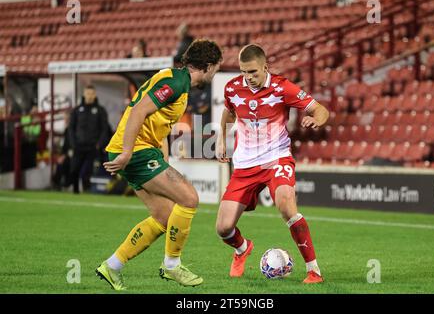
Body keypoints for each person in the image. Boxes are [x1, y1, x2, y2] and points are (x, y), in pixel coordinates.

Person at [96, 39, 222, 290]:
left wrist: (162, 154)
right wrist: (128, 152)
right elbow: (138, 111)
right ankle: (172, 266)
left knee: (164, 217)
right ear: (207, 66)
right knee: (189, 197)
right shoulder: (175, 83)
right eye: (217, 67)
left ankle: (112, 266)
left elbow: (158, 121)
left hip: (142, 150)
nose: (216, 72)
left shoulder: (179, 83)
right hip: (134, 151)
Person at [215, 44, 329, 284]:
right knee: (223, 229)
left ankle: (313, 271)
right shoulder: (233, 88)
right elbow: (229, 112)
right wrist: (221, 139)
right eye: (244, 72)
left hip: (276, 157)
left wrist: (315, 119)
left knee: (287, 205)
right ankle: (242, 249)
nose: (249, 78)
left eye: (253, 72)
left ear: (265, 67)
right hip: (245, 165)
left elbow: (320, 109)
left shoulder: (282, 87)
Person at [68, 85, 110, 194]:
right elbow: (71, 128)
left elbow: (105, 129)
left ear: (95, 95)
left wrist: (99, 144)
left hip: (93, 146)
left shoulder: (100, 111)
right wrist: (73, 144)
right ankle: (75, 190)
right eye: (88, 93)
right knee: (74, 169)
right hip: (78, 146)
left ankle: (87, 190)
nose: (90, 96)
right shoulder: (77, 110)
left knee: (88, 170)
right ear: (84, 94)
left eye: (92, 94)